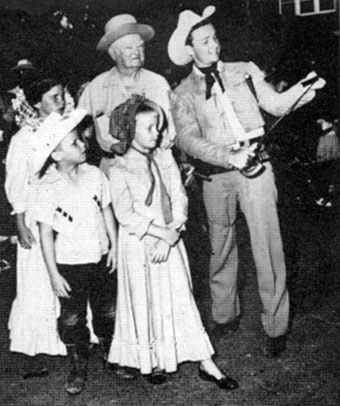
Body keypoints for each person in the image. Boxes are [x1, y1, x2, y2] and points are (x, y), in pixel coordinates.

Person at [168, 6, 326, 357]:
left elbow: (275, 104)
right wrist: (228, 157)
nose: (215, 46)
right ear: (190, 50)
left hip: (256, 167)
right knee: (220, 246)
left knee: (267, 245)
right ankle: (224, 316)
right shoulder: (181, 92)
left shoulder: (245, 71)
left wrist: (307, 87)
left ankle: (276, 325)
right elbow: (188, 140)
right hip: (217, 175)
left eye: (216, 38)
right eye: (206, 41)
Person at [107, 95, 238, 390]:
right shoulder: (119, 169)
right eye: (150, 128)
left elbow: (179, 196)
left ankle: (207, 363)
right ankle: (151, 358)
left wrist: (173, 231)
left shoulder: (164, 158)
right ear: (129, 131)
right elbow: (125, 214)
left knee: (181, 298)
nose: (157, 134)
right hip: (139, 244)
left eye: (158, 127)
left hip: (169, 239)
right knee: (146, 299)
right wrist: (158, 233)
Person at [35, 110, 117, 395]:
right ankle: (78, 364)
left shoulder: (94, 174)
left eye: (81, 139)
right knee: (72, 317)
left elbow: (106, 209)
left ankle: (111, 353)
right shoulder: (47, 186)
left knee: (108, 309)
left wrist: (114, 245)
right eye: (74, 143)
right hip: (70, 263)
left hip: (100, 256)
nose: (83, 144)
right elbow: (45, 233)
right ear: (56, 155)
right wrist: (54, 274)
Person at [5, 78, 68, 378]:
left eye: (63, 96)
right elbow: (17, 180)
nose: (61, 102)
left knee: (67, 272)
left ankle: (72, 337)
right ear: (37, 102)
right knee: (35, 279)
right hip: (35, 213)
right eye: (54, 98)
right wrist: (20, 220)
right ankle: (34, 347)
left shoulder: (67, 128)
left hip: (66, 211)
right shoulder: (23, 138)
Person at [78, 13, 176, 176]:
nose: (136, 52)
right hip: (114, 167)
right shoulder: (97, 87)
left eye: (140, 47)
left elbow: (172, 128)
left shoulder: (158, 83)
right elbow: (78, 127)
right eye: (128, 48)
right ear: (113, 53)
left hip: (155, 165)